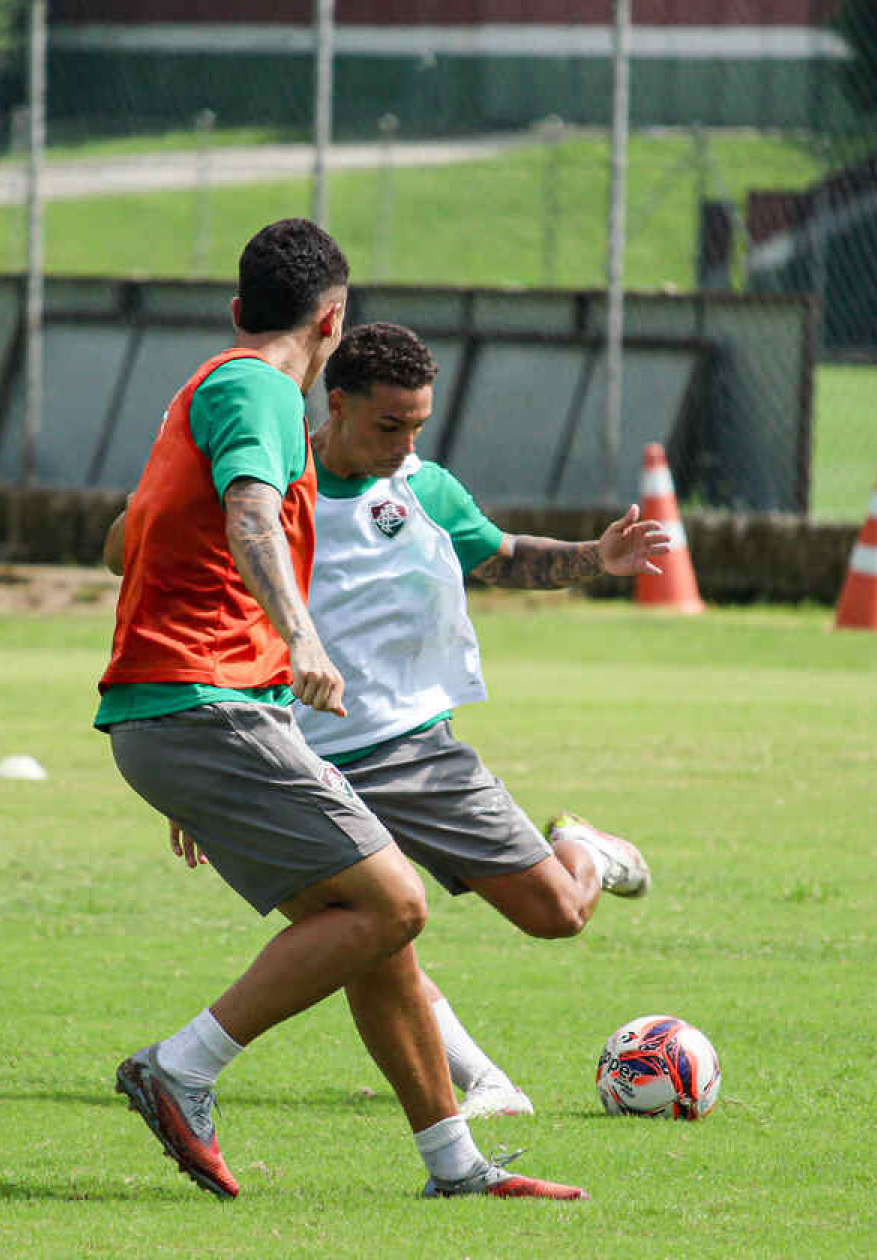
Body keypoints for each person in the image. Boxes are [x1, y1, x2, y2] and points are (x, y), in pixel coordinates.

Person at [97, 218, 583, 1201]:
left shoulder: (218, 390)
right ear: (333, 320)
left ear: (240, 307)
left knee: (367, 922)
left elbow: (127, 540)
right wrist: (299, 640)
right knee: (395, 902)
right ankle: (180, 1068)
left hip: (207, 712)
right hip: (204, 703)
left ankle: (456, 1166)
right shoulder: (258, 391)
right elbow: (246, 515)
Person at [296, 321, 668, 1118]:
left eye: (418, 426)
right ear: (337, 404)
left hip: (411, 752)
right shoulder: (270, 489)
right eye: (389, 425)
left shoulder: (423, 489)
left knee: (556, 915)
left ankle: (585, 849)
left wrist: (596, 558)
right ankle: (486, 1084)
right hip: (300, 764)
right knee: (363, 933)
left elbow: (501, 555)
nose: (406, 446)